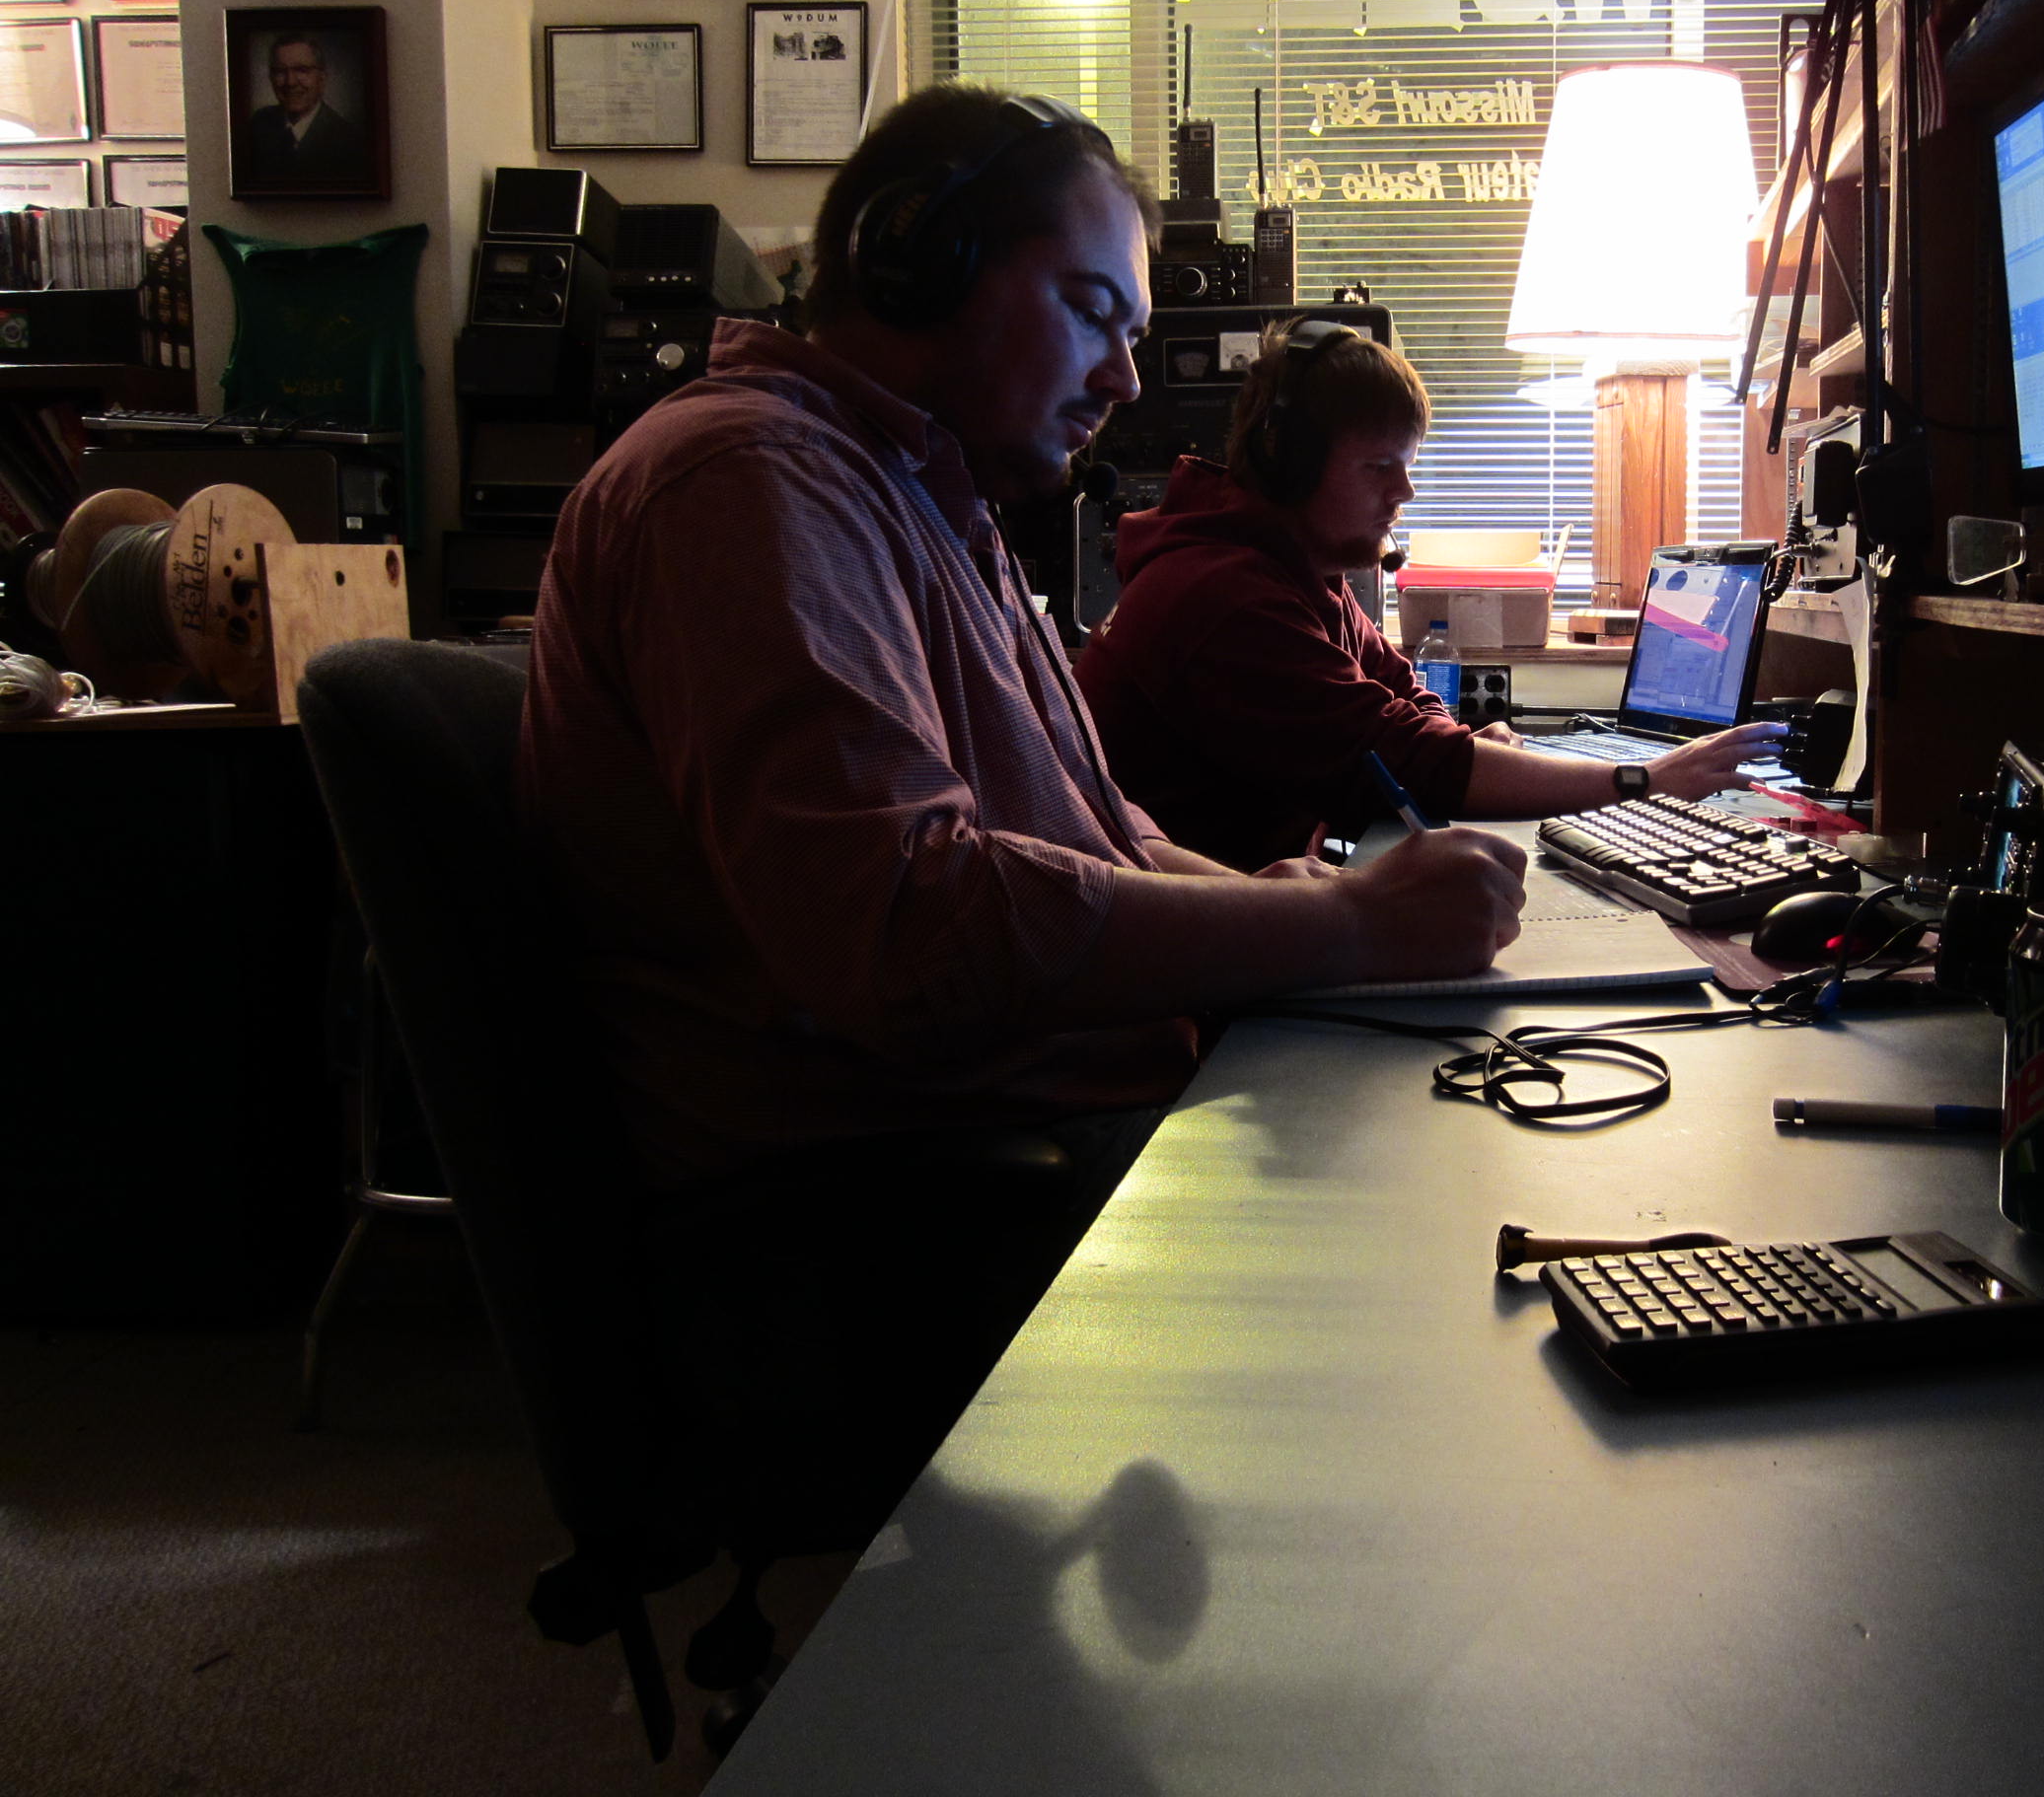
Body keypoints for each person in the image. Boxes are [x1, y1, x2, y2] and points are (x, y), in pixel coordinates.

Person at [519, 85, 1525, 1508]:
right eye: (1091, 311)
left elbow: (1102, 836)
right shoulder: (750, 483)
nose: (1124, 378)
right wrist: (1344, 930)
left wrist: (1294, 911)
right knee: (1451, 1277)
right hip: (881, 1220)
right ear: (913, 259)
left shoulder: (927, 499)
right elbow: (908, 926)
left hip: (995, 1145)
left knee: (1448, 1137)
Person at [1075, 318, 1789, 871]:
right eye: (1379, 467)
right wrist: (1643, 780)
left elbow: (1405, 696)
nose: (1406, 491)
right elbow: (1412, 760)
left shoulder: (1296, 570)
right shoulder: (1224, 596)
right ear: (1288, 464)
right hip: (1192, 973)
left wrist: (1466, 744)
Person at [243, 34, 364, 185]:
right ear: (271, 78)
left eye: (301, 70)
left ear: (322, 78)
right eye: (280, 71)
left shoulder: (349, 141)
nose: (290, 82)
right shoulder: (258, 124)